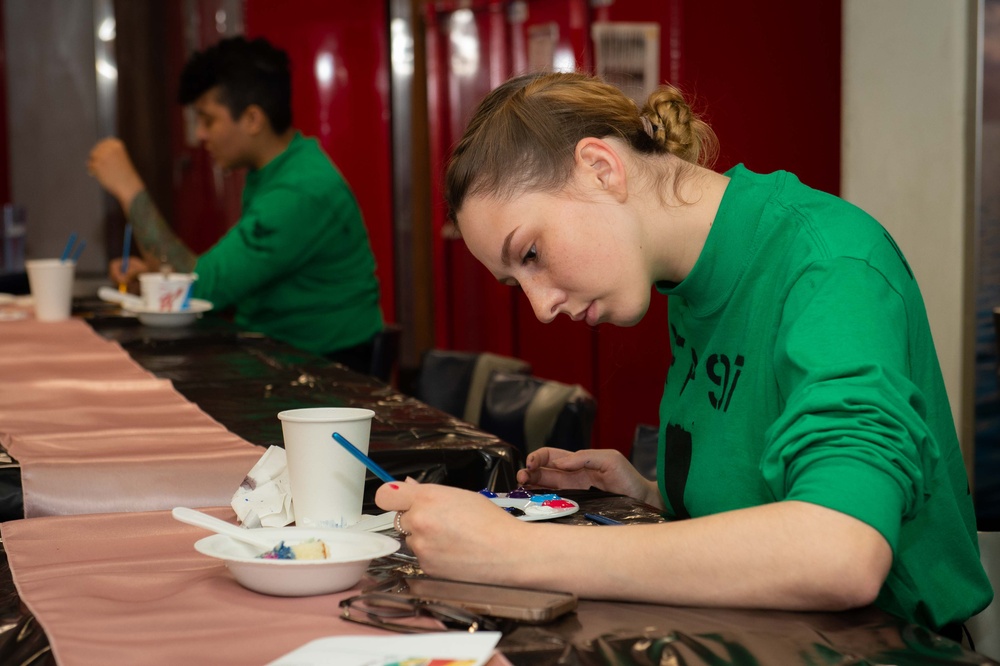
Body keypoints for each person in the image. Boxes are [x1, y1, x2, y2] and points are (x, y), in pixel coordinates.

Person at [375, 71, 993, 637]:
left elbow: (842, 551)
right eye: (516, 283)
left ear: (600, 168)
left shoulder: (828, 265)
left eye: (531, 253)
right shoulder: (685, 282)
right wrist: (645, 492)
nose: (541, 307)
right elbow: (770, 490)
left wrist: (513, 553)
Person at [87, 36, 383, 370]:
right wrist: (155, 277)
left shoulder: (299, 192)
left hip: (325, 374)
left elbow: (200, 289)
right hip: (279, 355)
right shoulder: (275, 169)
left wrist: (129, 188)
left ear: (253, 119)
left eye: (208, 119)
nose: (200, 134)